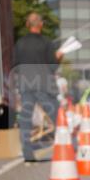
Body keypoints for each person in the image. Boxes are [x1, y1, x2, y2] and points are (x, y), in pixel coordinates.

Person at [13, 13, 64, 163]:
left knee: (26, 120)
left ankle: (28, 155)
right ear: (40, 24)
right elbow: (53, 67)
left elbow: (15, 66)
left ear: (27, 25)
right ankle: (68, 148)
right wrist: (59, 55)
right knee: (57, 116)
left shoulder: (20, 43)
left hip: (26, 84)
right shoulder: (47, 43)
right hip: (44, 84)